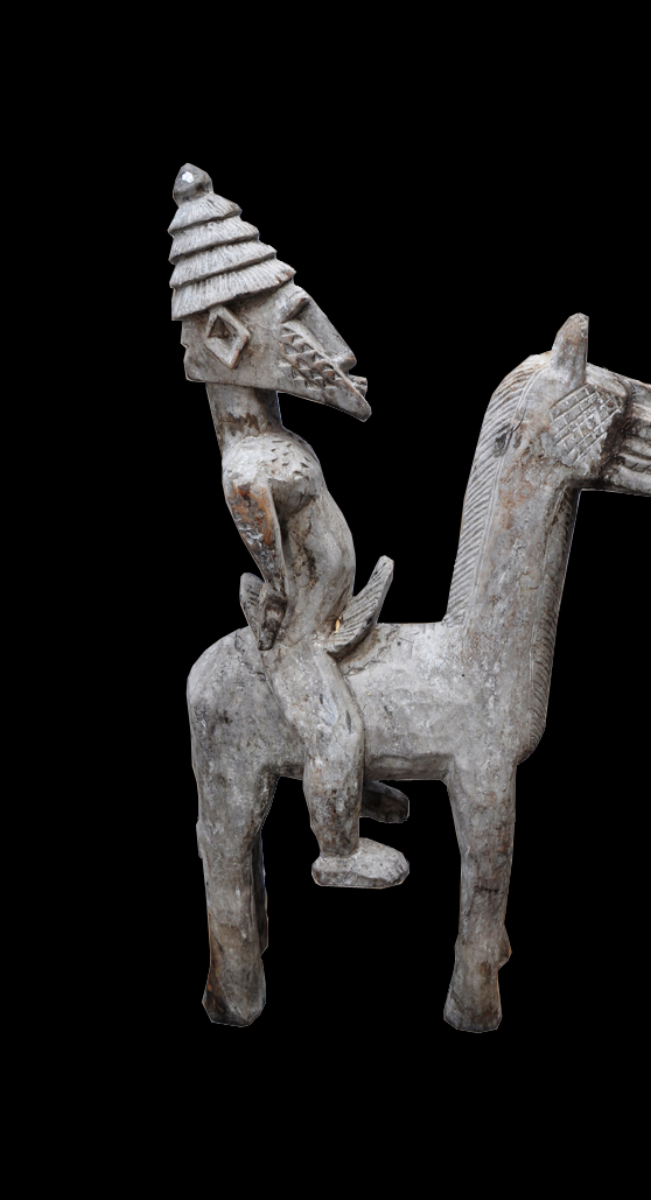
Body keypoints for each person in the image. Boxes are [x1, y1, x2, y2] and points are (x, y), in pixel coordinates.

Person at [170, 164, 408, 887]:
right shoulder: (250, 459)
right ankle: (337, 848)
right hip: (300, 629)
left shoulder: (265, 439)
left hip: (327, 605)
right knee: (333, 724)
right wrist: (276, 580)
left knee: (352, 708)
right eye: (295, 322)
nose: (332, 347)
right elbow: (247, 502)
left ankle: (351, 781)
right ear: (228, 337)